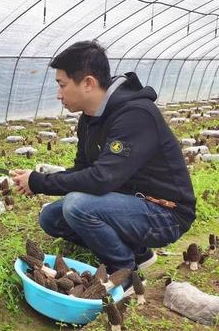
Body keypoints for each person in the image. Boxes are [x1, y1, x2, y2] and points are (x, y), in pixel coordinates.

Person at [10, 40, 195, 274]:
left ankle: (124, 272)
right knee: (51, 217)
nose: (58, 95)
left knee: (77, 206)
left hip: (166, 213)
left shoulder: (135, 115)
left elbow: (101, 179)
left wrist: (39, 182)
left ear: (88, 83)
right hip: (129, 201)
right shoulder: (89, 119)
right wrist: (36, 181)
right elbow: (82, 170)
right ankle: (138, 253)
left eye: (62, 85)